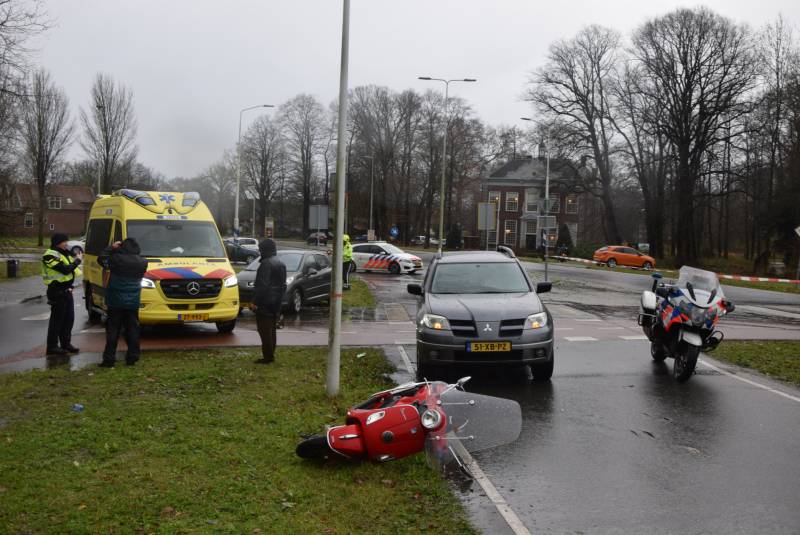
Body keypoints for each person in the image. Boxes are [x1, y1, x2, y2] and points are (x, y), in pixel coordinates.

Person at [97, 238, 148, 367]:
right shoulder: (142, 262)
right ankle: (133, 357)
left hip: (115, 300)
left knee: (113, 330)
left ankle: (109, 359)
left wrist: (112, 248)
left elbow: (101, 259)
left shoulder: (116, 259)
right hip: (133, 301)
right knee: (132, 330)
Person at [42, 233, 82, 356]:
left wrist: (70, 286)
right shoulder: (49, 255)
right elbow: (64, 270)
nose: (67, 244)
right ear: (58, 242)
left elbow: (72, 272)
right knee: (57, 321)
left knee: (68, 319)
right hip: (56, 292)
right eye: (65, 241)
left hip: (66, 291)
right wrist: (77, 261)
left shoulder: (65, 253)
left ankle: (66, 344)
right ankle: (52, 347)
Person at [251, 238, 286, 364]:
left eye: (261, 249)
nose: (259, 251)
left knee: (264, 330)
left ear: (264, 250)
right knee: (271, 330)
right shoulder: (280, 263)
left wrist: (255, 302)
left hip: (265, 303)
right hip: (276, 302)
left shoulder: (265, 264)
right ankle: (270, 354)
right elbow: (283, 285)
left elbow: (262, 285)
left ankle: (268, 357)